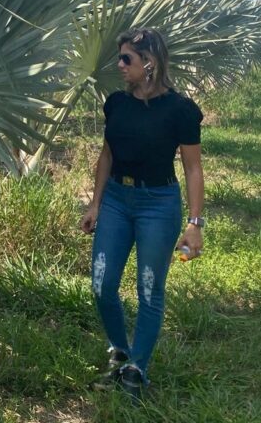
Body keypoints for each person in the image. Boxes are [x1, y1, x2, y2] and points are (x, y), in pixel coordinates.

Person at [79, 26, 205, 400]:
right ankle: (119, 352)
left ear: (149, 63)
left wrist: (194, 223)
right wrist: (95, 202)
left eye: (126, 59)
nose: (119, 65)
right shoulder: (116, 103)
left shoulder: (181, 111)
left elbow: (193, 169)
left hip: (158, 204)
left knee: (149, 289)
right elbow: (107, 154)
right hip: (117, 199)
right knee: (102, 284)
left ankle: (137, 368)